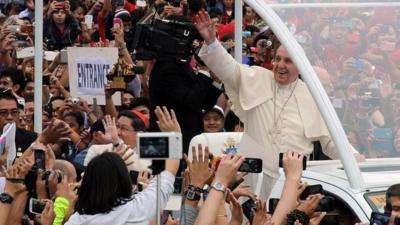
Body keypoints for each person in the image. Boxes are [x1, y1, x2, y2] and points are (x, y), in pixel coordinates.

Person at [193, 9, 364, 199]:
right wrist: (211, 42)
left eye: (288, 61)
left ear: (300, 66)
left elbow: (331, 139)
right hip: (253, 178)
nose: (280, 65)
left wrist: (353, 158)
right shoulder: (257, 77)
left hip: (292, 181)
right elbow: (228, 69)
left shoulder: (312, 94)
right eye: (278, 59)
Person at [65, 107, 181, 225]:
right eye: (117, 126)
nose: (117, 132)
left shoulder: (76, 220)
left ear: (138, 133)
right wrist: (175, 135)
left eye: (123, 128)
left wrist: (117, 144)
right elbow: (170, 171)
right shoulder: (137, 209)